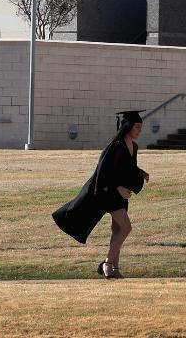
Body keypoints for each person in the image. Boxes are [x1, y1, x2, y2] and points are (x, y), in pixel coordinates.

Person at [52, 110, 150, 279]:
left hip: (120, 194)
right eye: (137, 127)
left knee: (118, 229)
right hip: (108, 192)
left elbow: (127, 168)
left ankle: (115, 269)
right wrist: (118, 188)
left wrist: (141, 173)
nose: (140, 130)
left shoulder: (133, 146)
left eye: (141, 127)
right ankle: (107, 263)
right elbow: (103, 173)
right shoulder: (117, 146)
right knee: (126, 227)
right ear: (128, 127)